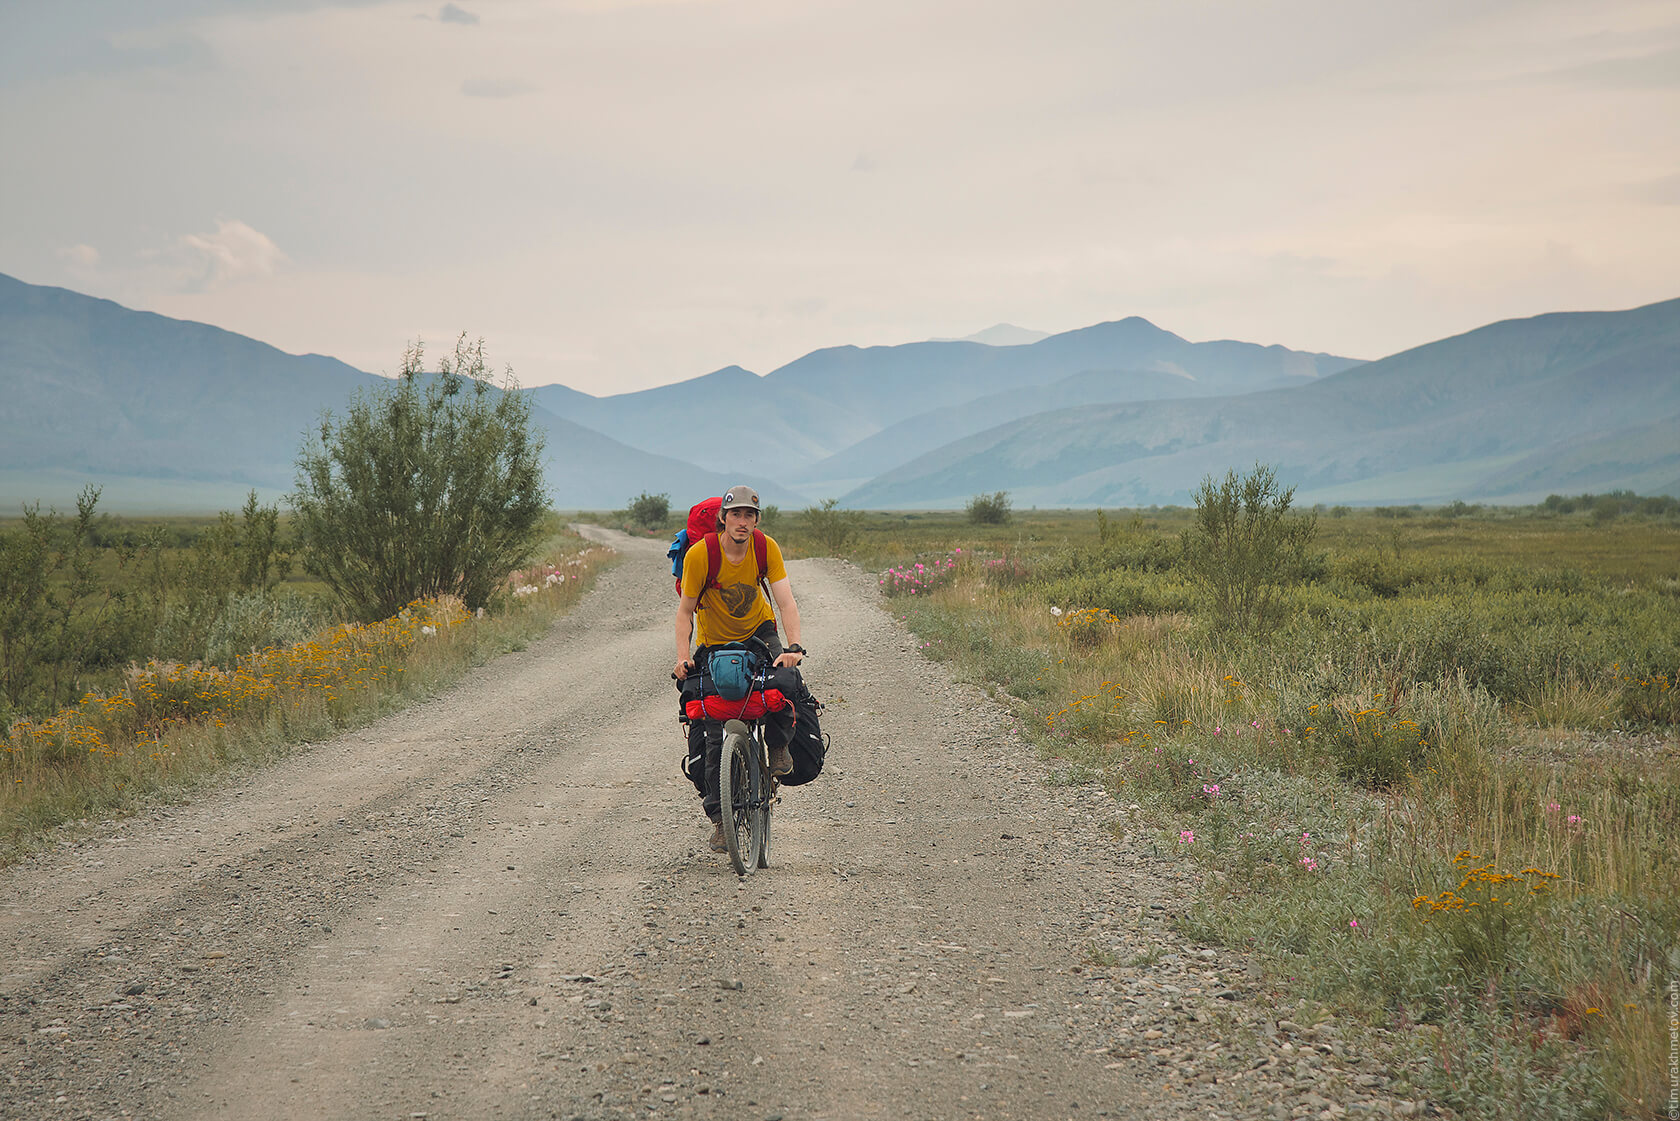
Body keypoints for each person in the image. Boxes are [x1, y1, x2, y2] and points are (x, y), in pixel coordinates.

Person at [672, 484, 806, 853]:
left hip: (761, 632)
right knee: (713, 730)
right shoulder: (701, 556)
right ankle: (720, 821)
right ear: (723, 519)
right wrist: (683, 657)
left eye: (750, 515)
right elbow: (685, 613)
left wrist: (792, 647)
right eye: (736, 515)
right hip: (715, 644)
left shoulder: (766, 547)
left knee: (785, 684)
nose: (743, 522)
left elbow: (785, 601)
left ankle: (778, 745)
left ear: (757, 520)